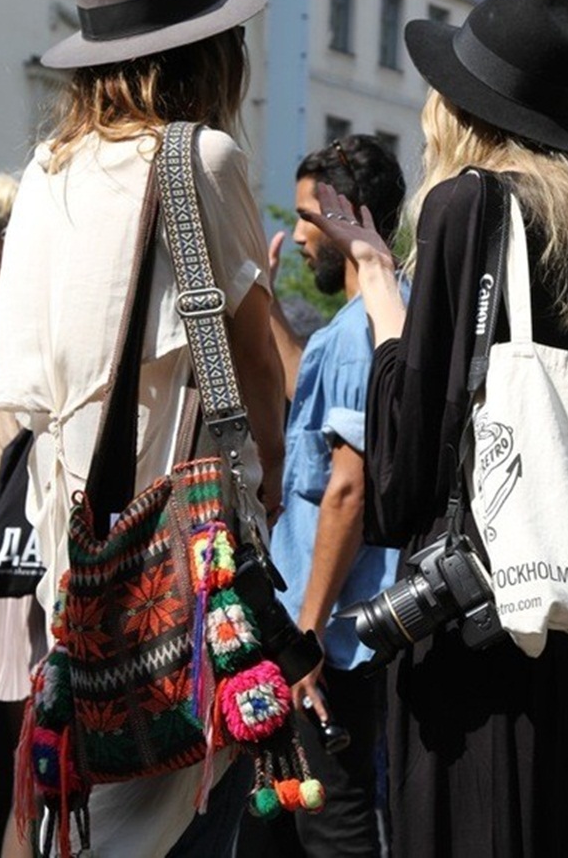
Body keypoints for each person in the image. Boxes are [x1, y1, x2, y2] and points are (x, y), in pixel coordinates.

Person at [299, 0, 568, 857]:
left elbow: (404, 469)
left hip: (492, 601)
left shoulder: (468, 205)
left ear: (463, 106)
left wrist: (380, 285)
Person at [0, 0, 285, 858]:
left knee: (71, 815)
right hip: (182, 571)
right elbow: (260, 373)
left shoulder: (45, 176)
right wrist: (266, 493)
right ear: (206, 54)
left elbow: (24, 391)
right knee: (184, 814)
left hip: (77, 574)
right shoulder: (201, 160)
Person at [238, 136, 405, 857]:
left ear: (347, 214)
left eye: (310, 215)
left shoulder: (356, 334)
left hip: (330, 646)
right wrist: (267, 307)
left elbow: (347, 488)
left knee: (332, 829)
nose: (302, 234)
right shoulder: (385, 317)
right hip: (345, 638)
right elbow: (314, 382)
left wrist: (303, 634)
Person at [0, 173, 44, 858]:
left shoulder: (11, 336)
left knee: (15, 772)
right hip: (3, 571)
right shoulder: (0, 329)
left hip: (4, 578)